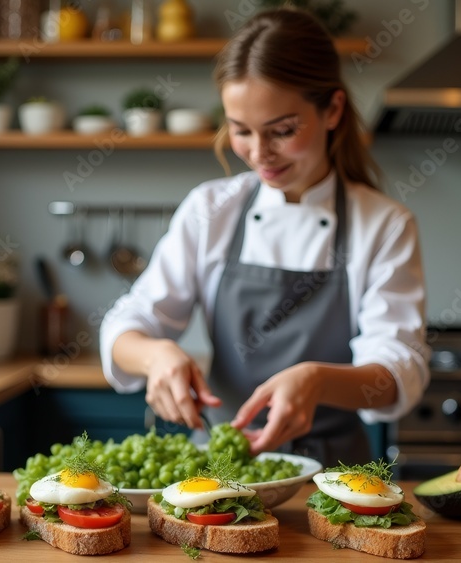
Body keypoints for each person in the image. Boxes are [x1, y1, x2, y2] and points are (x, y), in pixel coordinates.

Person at [99, 8, 429, 467]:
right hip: (220, 470)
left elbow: (401, 371)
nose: (259, 154)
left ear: (332, 110)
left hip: (335, 479)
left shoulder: (384, 224)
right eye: (241, 130)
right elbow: (124, 326)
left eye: (282, 131)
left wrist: (317, 380)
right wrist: (155, 356)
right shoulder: (210, 209)